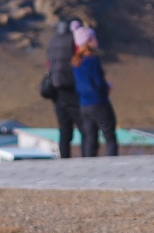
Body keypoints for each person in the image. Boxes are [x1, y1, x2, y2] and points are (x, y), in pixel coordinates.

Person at [70, 27, 119, 157]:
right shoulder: (92, 60)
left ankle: (88, 165)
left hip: (84, 104)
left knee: (90, 138)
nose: (96, 40)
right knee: (110, 136)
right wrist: (107, 87)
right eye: (93, 38)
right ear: (88, 42)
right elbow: (98, 83)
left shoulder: (76, 61)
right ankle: (112, 164)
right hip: (99, 102)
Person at [41, 19, 85, 158]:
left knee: (64, 128)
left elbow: (49, 63)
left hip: (55, 88)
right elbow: (79, 61)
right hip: (70, 86)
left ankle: (64, 158)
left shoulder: (52, 40)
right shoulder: (73, 40)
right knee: (84, 126)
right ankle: (88, 157)